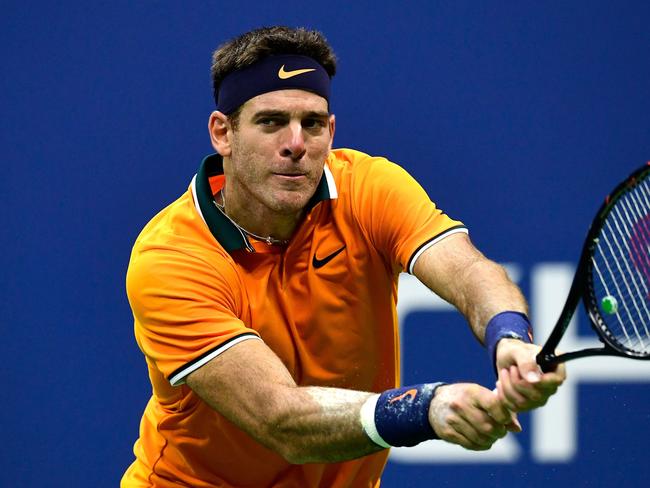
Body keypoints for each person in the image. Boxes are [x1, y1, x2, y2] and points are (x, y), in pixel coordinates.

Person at [121, 26, 566, 488]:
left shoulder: (369, 188)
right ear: (223, 133)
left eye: (312, 123)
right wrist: (424, 409)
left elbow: (467, 268)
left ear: (330, 131)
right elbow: (281, 418)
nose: (296, 143)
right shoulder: (170, 258)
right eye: (271, 121)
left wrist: (508, 335)